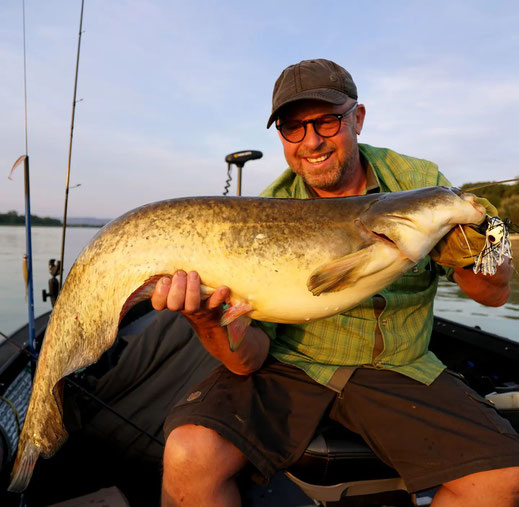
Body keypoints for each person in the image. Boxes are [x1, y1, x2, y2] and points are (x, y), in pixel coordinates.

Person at [152, 59, 519, 506]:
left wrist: (486, 243)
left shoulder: (421, 180)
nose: (312, 142)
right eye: (293, 128)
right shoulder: (264, 212)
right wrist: (209, 322)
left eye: (327, 121)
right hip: (292, 364)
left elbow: (496, 294)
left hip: (399, 366)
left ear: (358, 118)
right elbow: (247, 362)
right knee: (189, 453)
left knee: (506, 478)